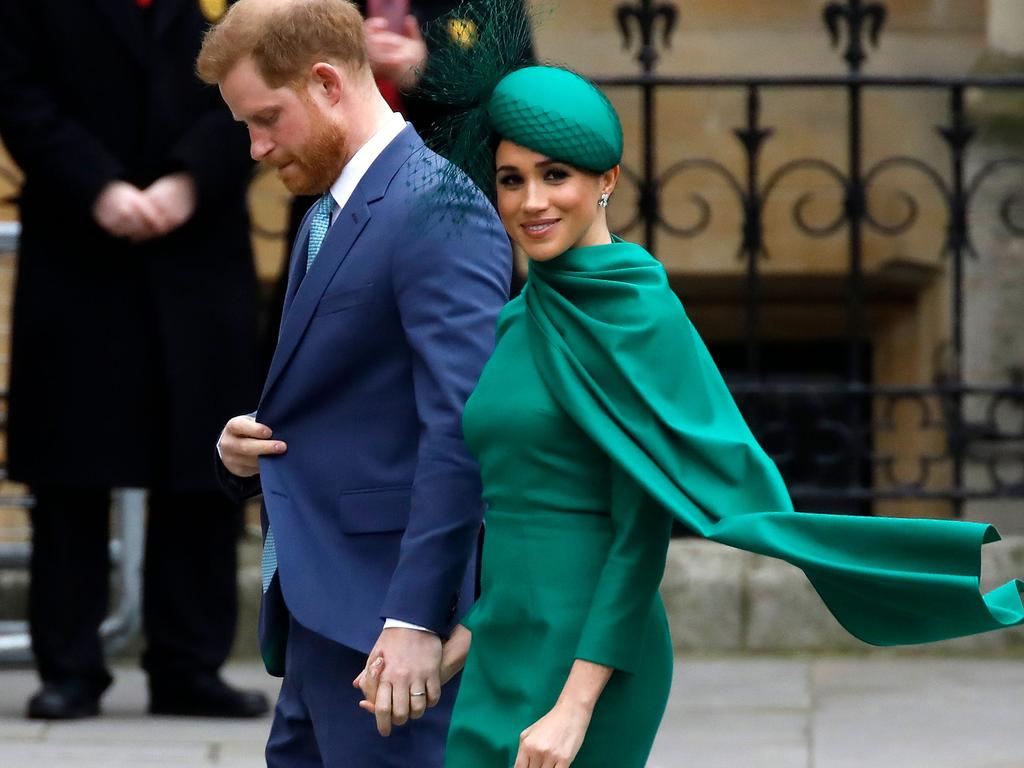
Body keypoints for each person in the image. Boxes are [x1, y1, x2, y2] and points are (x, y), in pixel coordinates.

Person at [360, 60, 1024, 767]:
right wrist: (449, 649)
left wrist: (574, 707)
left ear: (607, 179)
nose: (531, 201)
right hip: (505, 645)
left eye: (557, 175)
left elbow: (639, 535)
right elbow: (520, 530)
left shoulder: (639, 316)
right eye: (512, 179)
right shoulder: (521, 316)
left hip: (594, 661)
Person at [196, 0, 510, 765]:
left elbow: (461, 427)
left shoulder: (436, 207)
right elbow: (349, 400)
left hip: (388, 634)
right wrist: (246, 449)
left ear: (327, 83)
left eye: (266, 118)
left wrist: (413, 620)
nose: (256, 146)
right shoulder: (328, 211)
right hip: (320, 620)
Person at [0, 0, 266, 720]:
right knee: (71, 467)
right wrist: (99, 186)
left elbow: (265, 81)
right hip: (79, 243)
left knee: (207, 462)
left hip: (201, 244)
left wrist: (190, 179)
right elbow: (18, 92)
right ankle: (71, 666)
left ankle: (189, 666)